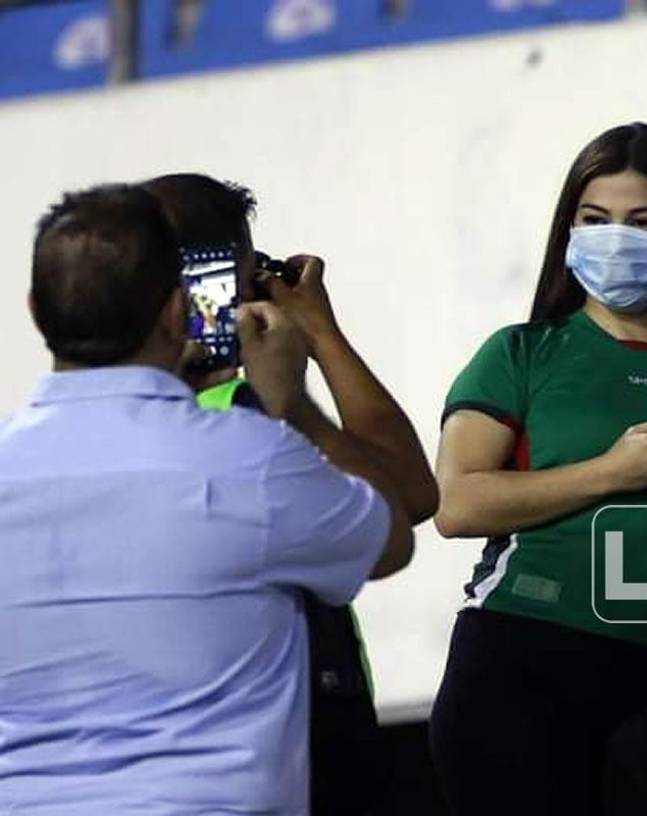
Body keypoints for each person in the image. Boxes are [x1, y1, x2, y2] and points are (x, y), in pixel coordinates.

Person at [0, 184, 421, 814]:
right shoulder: (251, 455)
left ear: (36, 312)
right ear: (179, 312)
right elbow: (392, 532)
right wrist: (295, 406)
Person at [429, 122, 647, 815]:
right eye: (595, 220)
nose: (615, 237)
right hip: (516, 656)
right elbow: (457, 504)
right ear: (569, 232)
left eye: (642, 222)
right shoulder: (521, 353)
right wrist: (611, 471)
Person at [141, 172, 438, 815]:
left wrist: (318, 333)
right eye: (243, 275)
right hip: (263, 736)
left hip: (313, 708)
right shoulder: (228, 413)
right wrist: (296, 397)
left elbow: (413, 492)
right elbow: (405, 507)